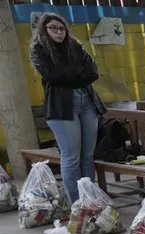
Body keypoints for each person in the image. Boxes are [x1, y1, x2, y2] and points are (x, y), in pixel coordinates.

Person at [30, 14, 106, 205]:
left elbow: (93, 71)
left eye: (62, 28)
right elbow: (53, 75)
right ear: (44, 30)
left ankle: (90, 201)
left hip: (87, 102)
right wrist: (78, 72)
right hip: (62, 106)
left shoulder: (75, 46)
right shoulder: (39, 49)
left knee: (87, 156)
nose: (59, 32)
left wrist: (70, 74)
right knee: (71, 157)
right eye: (53, 28)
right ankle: (77, 205)